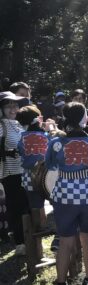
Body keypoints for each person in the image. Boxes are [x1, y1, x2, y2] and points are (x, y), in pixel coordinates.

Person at [46, 102, 88, 285]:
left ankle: (61, 284)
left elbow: (50, 164)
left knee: (65, 240)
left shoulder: (55, 143)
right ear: (84, 119)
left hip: (64, 194)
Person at [0, 91, 30, 256]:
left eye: (15, 105)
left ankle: (28, 240)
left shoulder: (18, 124)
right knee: (17, 208)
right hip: (10, 174)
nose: (13, 108)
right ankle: (20, 243)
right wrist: (7, 152)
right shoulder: (1, 125)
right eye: (8, 105)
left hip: (24, 171)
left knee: (27, 206)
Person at [17, 105, 50, 230]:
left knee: (35, 205)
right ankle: (49, 227)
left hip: (29, 176)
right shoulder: (46, 135)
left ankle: (39, 232)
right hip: (47, 175)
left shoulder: (21, 137)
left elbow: (19, 152)